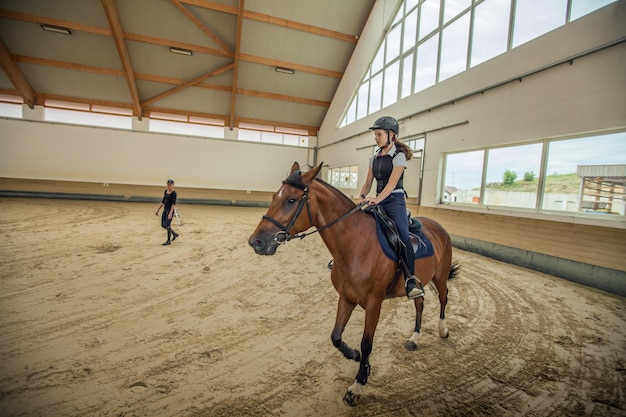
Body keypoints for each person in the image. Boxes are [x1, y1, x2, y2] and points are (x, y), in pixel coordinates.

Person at [357, 116, 425, 299]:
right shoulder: (374, 157)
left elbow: (392, 184)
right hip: (376, 199)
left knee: (402, 236)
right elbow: (367, 183)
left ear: (391, 135)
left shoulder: (399, 156)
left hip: (394, 201)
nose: (376, 138)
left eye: (379, 134)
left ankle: (411, 280)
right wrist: (361, 198)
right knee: (358, 225)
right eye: (375, 134)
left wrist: (377, 199)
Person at [155, 179, 179, 246]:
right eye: (168, 184)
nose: (169, 186)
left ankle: (168, 240)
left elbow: (173, 204)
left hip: (169, 210)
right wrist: (158, 210)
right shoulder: (166, 191)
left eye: (170, 184)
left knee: (168, 225)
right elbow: (163, 201)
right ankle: (174, 234)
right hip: (165, 210)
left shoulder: (174, 193)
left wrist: (171, 213)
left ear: (173, 185)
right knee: (163, 225)